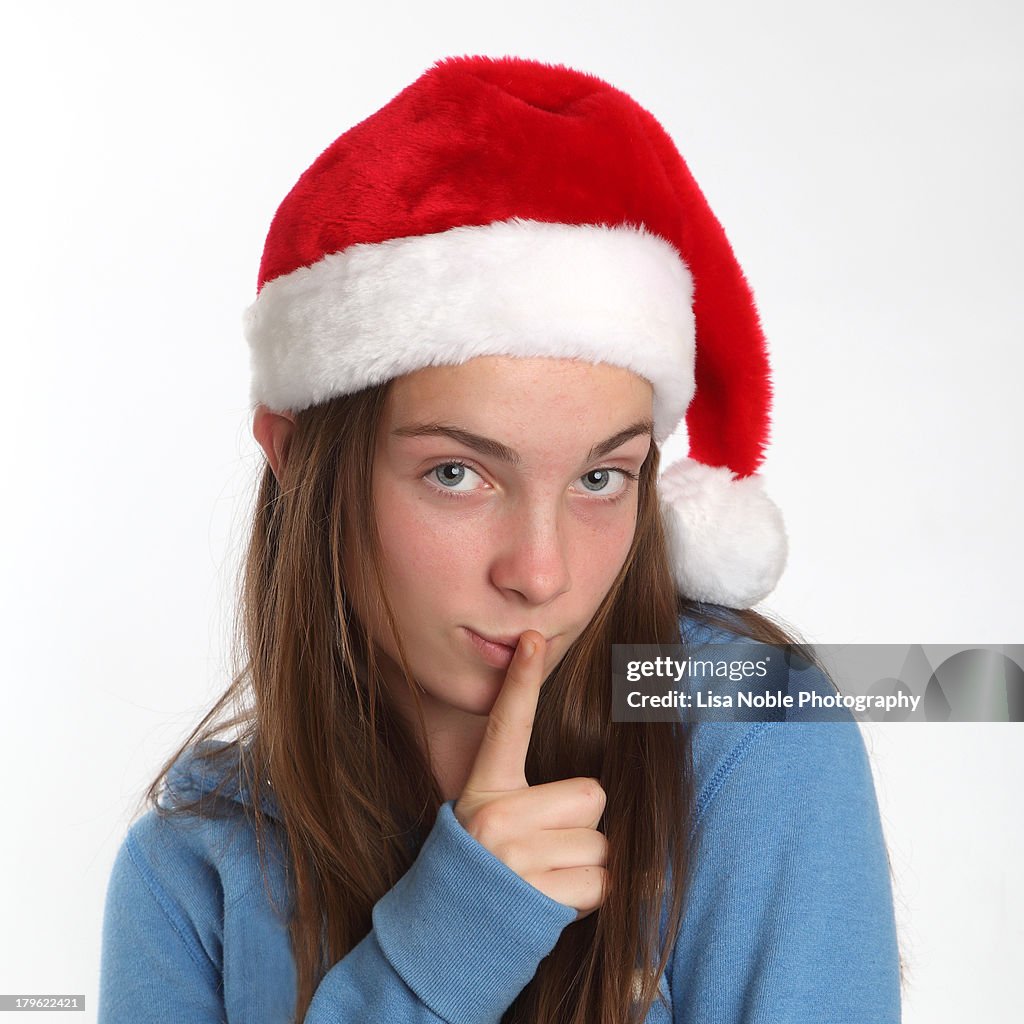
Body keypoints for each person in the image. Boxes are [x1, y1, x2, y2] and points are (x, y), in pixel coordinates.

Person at [98, 55, 902, 1023]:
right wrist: (444, 947)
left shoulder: (751, 730)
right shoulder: (190, 872)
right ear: (297, 456)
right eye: (457, 473)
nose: (540, 571)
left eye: (601, 478)